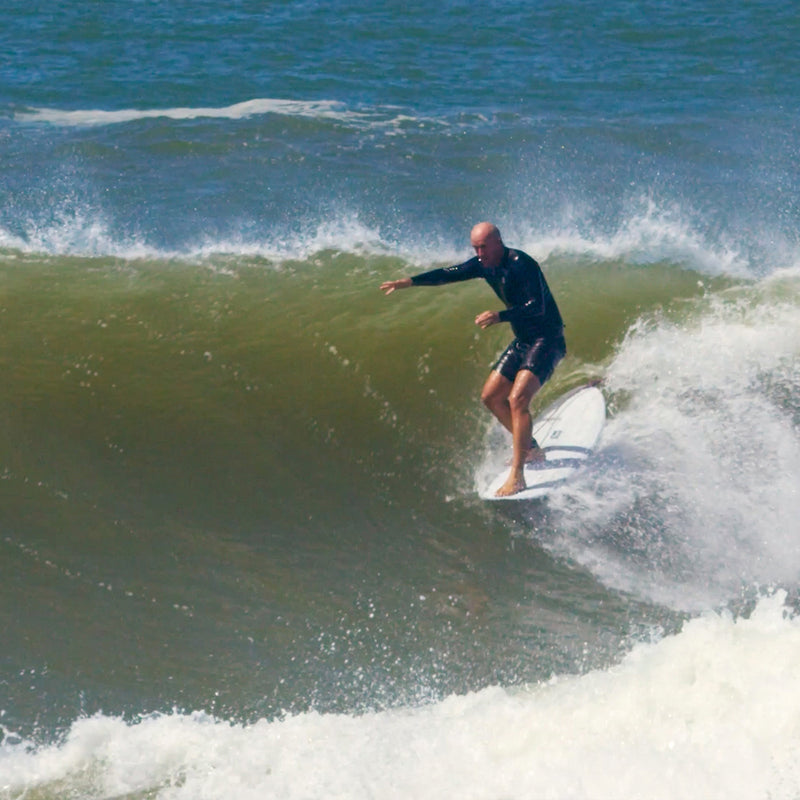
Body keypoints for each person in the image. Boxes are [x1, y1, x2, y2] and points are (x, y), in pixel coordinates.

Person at [380, 222, 566, 497]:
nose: (479, 254)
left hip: (547, 338)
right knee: (491, 397)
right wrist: (409, 281)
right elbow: (450, 273)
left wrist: (499, 316)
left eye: (483, 247)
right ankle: (532, 450)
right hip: (524, 340)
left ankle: (518, 475)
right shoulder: (484, 264)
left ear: (497, 243)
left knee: (518, 400)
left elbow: (536, 306)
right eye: (475, 248)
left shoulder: (521, 264)